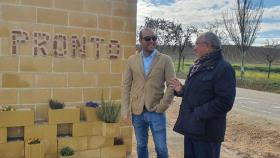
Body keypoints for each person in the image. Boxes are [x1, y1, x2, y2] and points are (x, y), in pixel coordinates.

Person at [169, 32, 236, 158]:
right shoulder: (197, 65)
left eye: (197, 44)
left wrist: (197, 114)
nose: (194, 48)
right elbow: (197, 93)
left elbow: (225, 102)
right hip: (192, 128)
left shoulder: (223, 68)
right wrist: (181, 90)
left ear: (208, 46)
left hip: (207, 133)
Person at [121, 27, 175, 158]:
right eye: (147, 38)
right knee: (141, 146)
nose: (152, 41)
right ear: (140, 40)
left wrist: (162, 106)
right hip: (137, 111)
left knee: (161, 148)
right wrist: (125, 110)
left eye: (154, 38)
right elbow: (126, 86)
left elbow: (172, 85)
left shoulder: (165, 60)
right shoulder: (131, 60)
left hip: (156, 111)